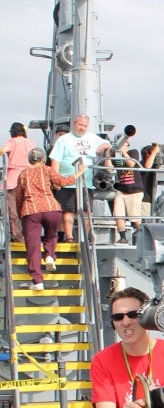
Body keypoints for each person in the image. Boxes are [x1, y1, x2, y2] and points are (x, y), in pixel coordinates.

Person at [15, 147, 81, 289]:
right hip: (51, 208)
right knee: (51, 235)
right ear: (43, 159)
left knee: (33, 246)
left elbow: (19, 196)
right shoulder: (47, 170)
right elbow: (62, 182)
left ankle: (38, 281)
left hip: (31, 210)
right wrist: (78, 173)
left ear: (29, 160)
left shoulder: (23, 174)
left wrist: (20, 212)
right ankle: (50, 255)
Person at [49, 113, 112, 241]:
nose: (82, 128)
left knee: (87, 211)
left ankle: (84, 238)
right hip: (67, 182)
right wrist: (55, 180)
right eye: (80, 124)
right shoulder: (63, 139)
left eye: (85, 126)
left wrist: (104, 146)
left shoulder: (92, 138)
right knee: (68, 210)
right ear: (74, 124)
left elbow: (108, 144)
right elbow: (55, 160)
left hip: (85, 183)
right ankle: (69, 237)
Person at [0, 122, 33, 242]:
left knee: (13, 211)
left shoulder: (12, 141)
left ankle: (18, 237)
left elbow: (2, 150)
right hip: (28, 178)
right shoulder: (30, 143)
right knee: (28, 210)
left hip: (13, 178)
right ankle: (30, 235)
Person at [112, 144, 143, 242]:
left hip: (134, 190)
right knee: (118, 213)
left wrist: (123, 151)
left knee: (135, 218)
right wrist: (108, 154)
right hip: (122, 190)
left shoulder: (133, 152)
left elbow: (131, 164)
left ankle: (142, 234)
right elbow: (108, 168)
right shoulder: (115, 156)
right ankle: (123, 237)